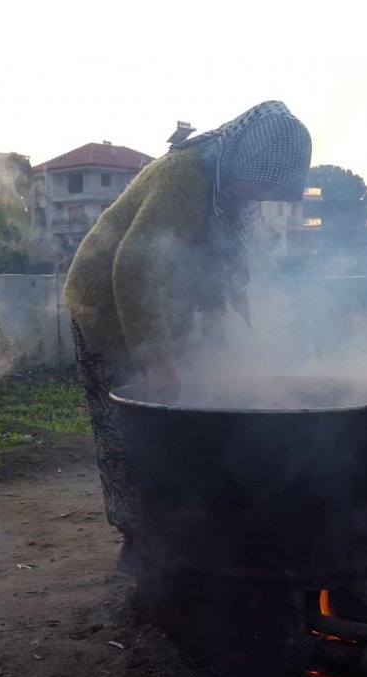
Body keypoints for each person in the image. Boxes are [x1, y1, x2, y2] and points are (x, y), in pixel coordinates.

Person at [62, 100, 313, 570]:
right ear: (245, 163)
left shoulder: (222, 189)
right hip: (108, 307)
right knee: (130, 432)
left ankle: (192, 523)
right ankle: (138, 544)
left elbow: (208, 267)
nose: (259, 198)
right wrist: (156, 357)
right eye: (260, 186)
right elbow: (135, 266)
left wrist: (229, 337)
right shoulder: (183, 179)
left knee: (191, 410)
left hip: (159, 302)